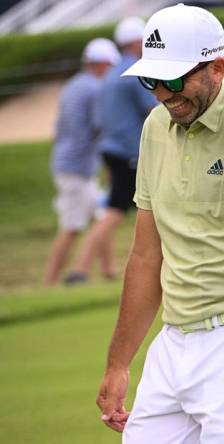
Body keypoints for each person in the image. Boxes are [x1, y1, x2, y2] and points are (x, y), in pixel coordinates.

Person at [95, 5, 224, 443]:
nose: (161, 93)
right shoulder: (155, 125)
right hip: (173, 342)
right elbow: (145, 254)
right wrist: (119, 363)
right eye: (150, 80)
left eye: (174, 80)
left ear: (217, 67)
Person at [64, 17, 159, 285]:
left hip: (112, 149)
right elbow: (156, 109)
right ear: (137, 42)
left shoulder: (109, 76)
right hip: (130, 152)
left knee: (118, 209)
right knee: (115, 211)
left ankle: (105, 271)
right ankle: (80, 269)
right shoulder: (136, 73)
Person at [43, 38, 120, 286]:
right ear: (101, 64)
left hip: (70, 164)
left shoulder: (73, 85)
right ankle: (49, 284)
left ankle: (109, 272)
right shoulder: (94, 88)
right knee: (72, 226)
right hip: (76, 167)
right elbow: (100, 125)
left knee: (100, 218)